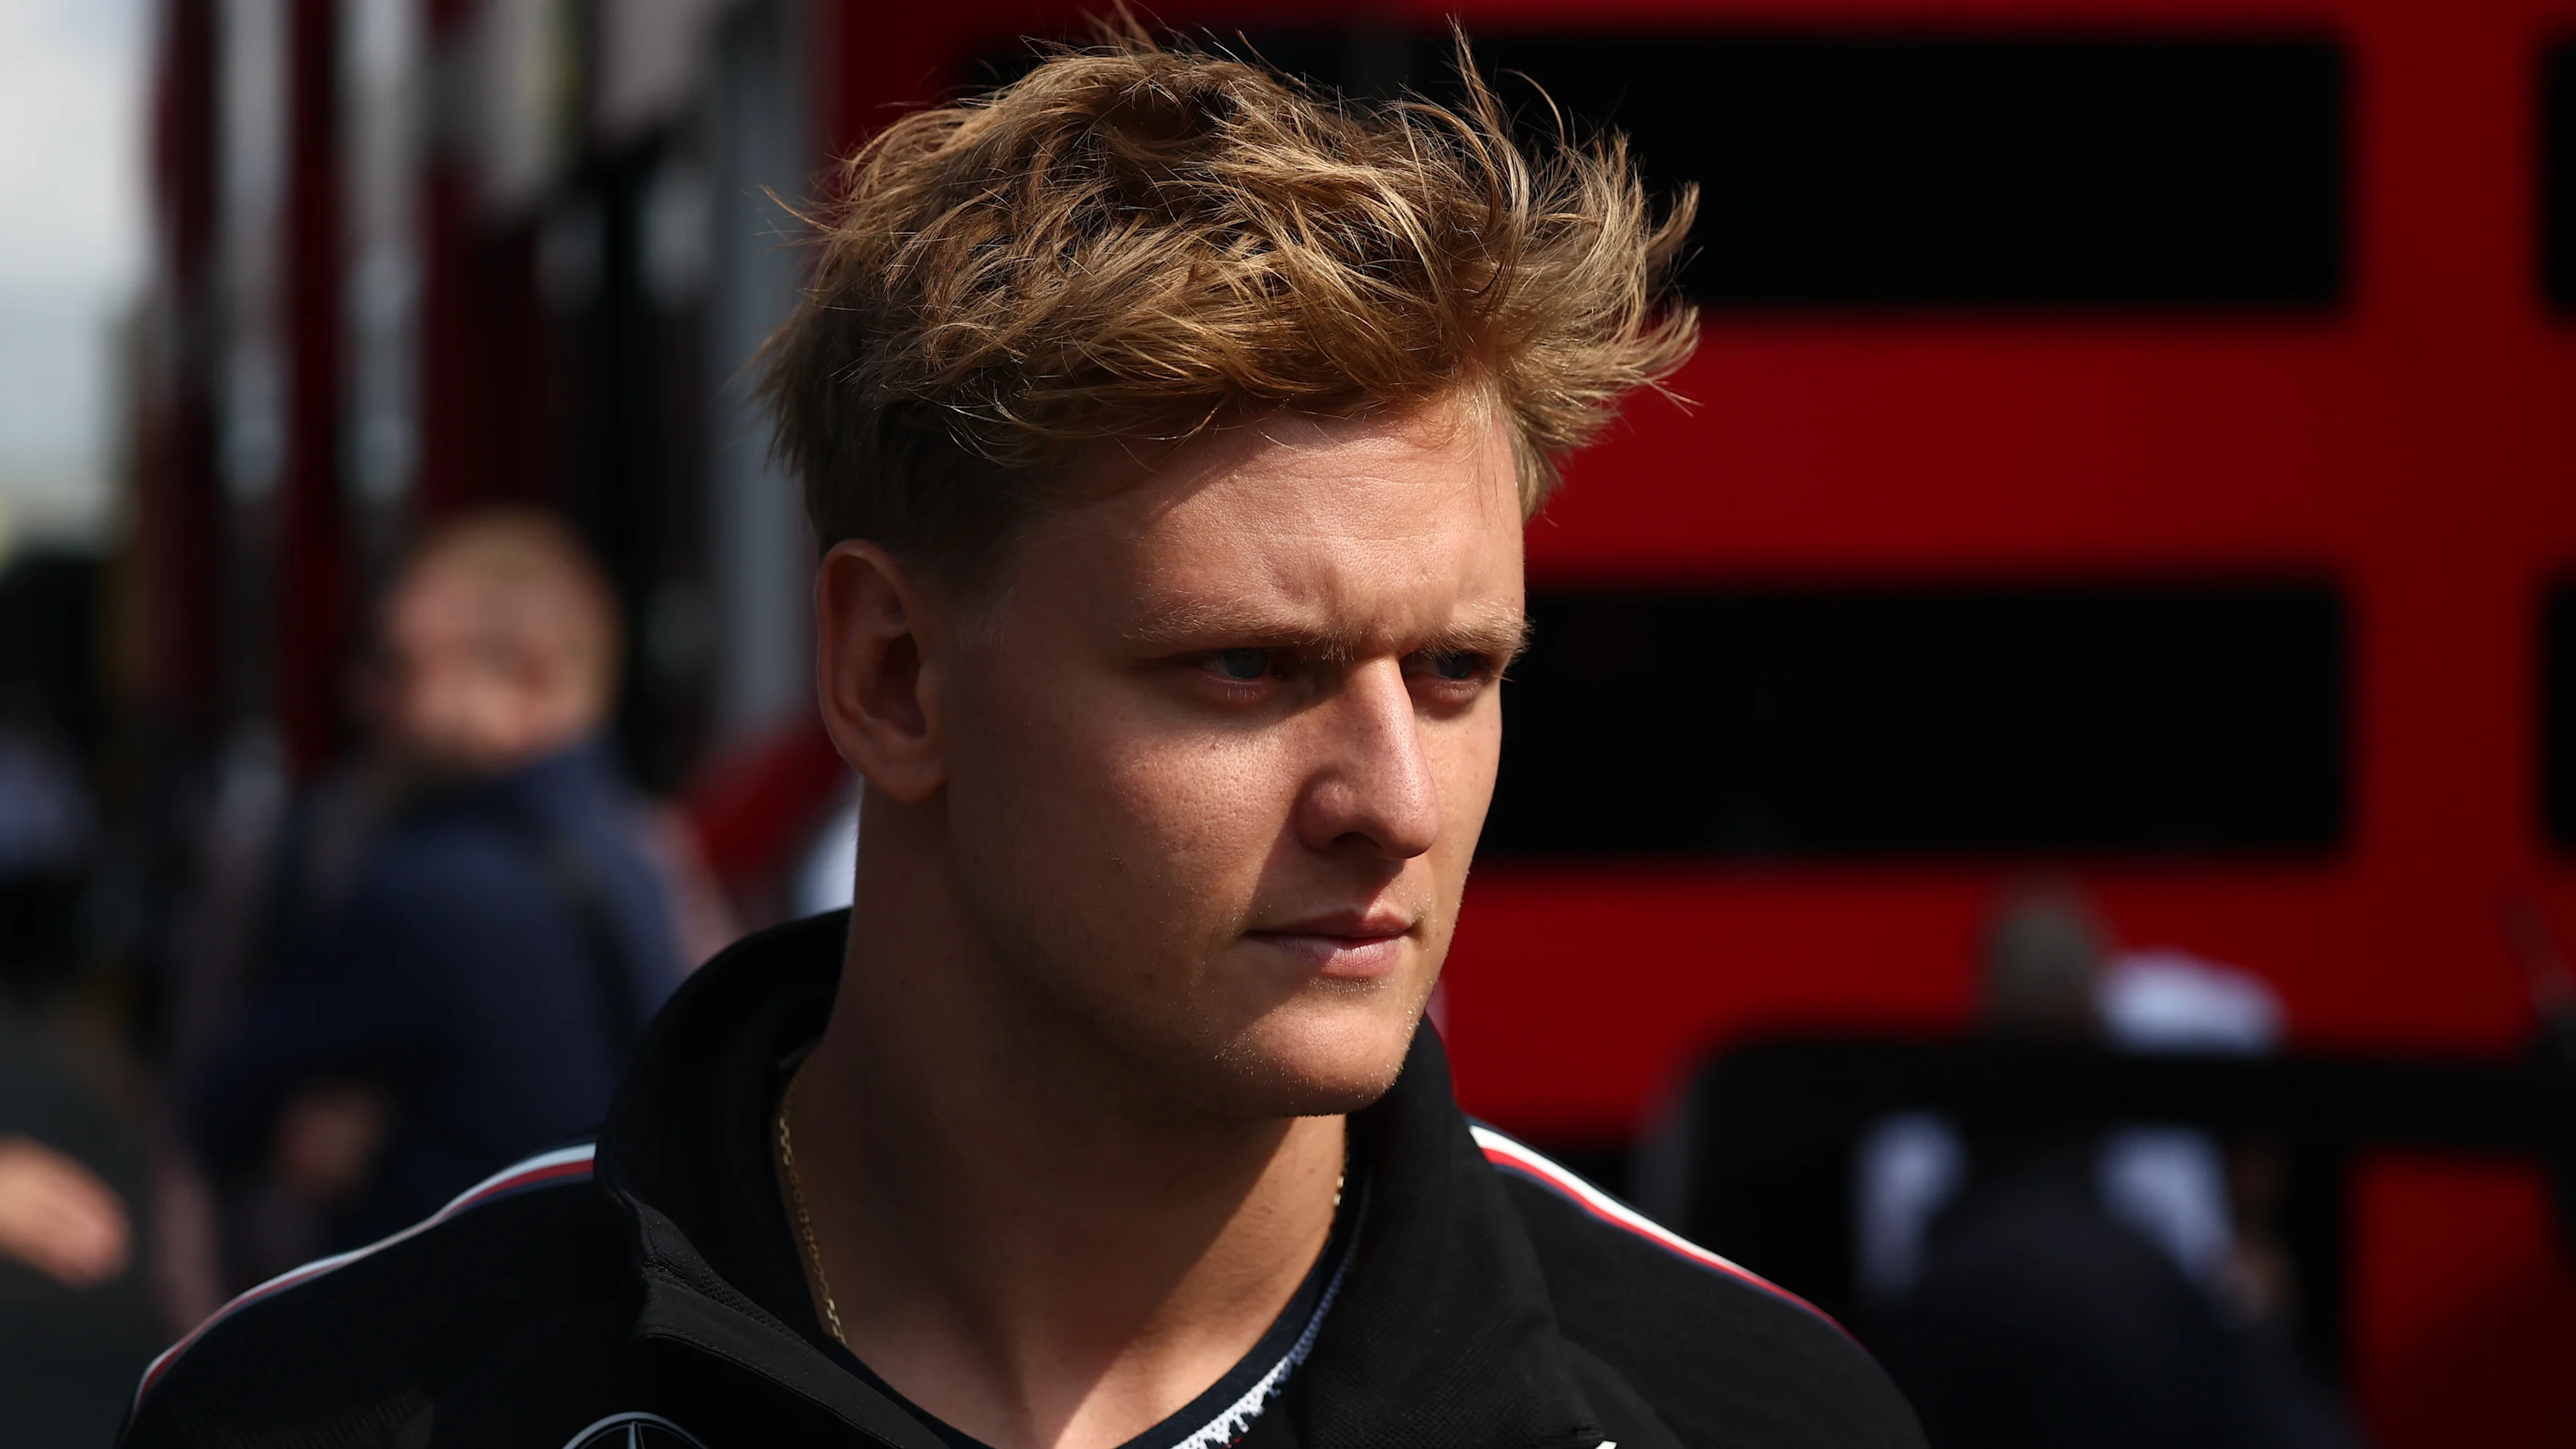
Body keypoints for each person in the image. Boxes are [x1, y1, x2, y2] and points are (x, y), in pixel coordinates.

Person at [125, 30, 1924, 1449]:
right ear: (892, 676)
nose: (1392, 799)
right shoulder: (341, 1405)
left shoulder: (1742, 1411)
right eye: (1244, 669)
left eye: (1456, 670)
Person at [179, 510, 684, 1254]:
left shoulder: (429, 894)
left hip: (456, 1351)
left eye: (398, 664)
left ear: (531, 676)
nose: (366, 697)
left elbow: (219, 1112)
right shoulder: (649, 859)